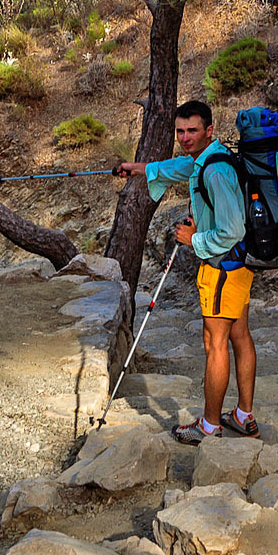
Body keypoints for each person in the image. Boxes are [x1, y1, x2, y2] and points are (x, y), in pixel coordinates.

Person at [116, 100, 259, 444]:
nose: (185, 137)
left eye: (192, 130)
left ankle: (209, 426)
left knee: (215, 343)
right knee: (239, 335)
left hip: (223, 267)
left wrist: (194, 238)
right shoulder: (209, 159)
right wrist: (137, 168)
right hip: (238, 266)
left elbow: (232, 229)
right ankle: (243, 415)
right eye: (180, 131)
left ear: (209, 130)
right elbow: (180, 167)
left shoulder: (214, 171)